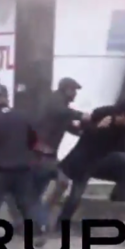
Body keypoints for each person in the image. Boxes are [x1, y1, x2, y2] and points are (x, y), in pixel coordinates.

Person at [0, 85, 45, 248]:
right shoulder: (22, 116)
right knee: (27, 203)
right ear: (6, 98)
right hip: (22, 168)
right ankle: (37, 235)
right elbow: (33, 140)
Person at [55, 99, 125, 227]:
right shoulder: (102, 114)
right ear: (124, 114)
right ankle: (61, 224)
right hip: (83, 161)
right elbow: (84, 133)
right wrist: (98, 127)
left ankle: (119, 194)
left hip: (101, 161)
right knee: (76, 194)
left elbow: (121, 147)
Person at [33, 78, 89, 224]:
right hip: (41, 153)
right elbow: (61, 112)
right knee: (59, 182)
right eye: (74, 90)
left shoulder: (61, 106)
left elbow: (69, 126)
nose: (75, 94)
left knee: (42, 189)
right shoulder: (55, 100)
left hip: (47, 153)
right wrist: (81, 115)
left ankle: (37, 221)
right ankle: (39, 222)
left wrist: (85, 131)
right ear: (67, 89)